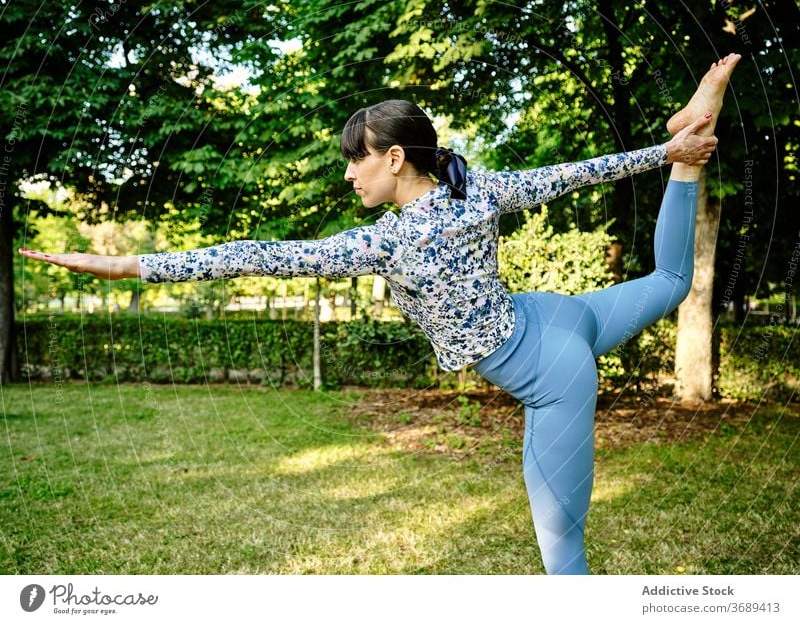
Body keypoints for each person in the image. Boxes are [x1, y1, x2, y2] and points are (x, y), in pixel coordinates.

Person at [18, 53, 740, 574]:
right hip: (560, 316)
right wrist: (667, 150)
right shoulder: (476, 190)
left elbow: (255, 254)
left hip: (554, 374)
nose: (346, 172)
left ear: (394, 157)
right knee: (673, 277)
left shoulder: (387, 241)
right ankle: (691, 153)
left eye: (354, 160)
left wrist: (125, 265)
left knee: (563, 551)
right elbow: (579, 172)